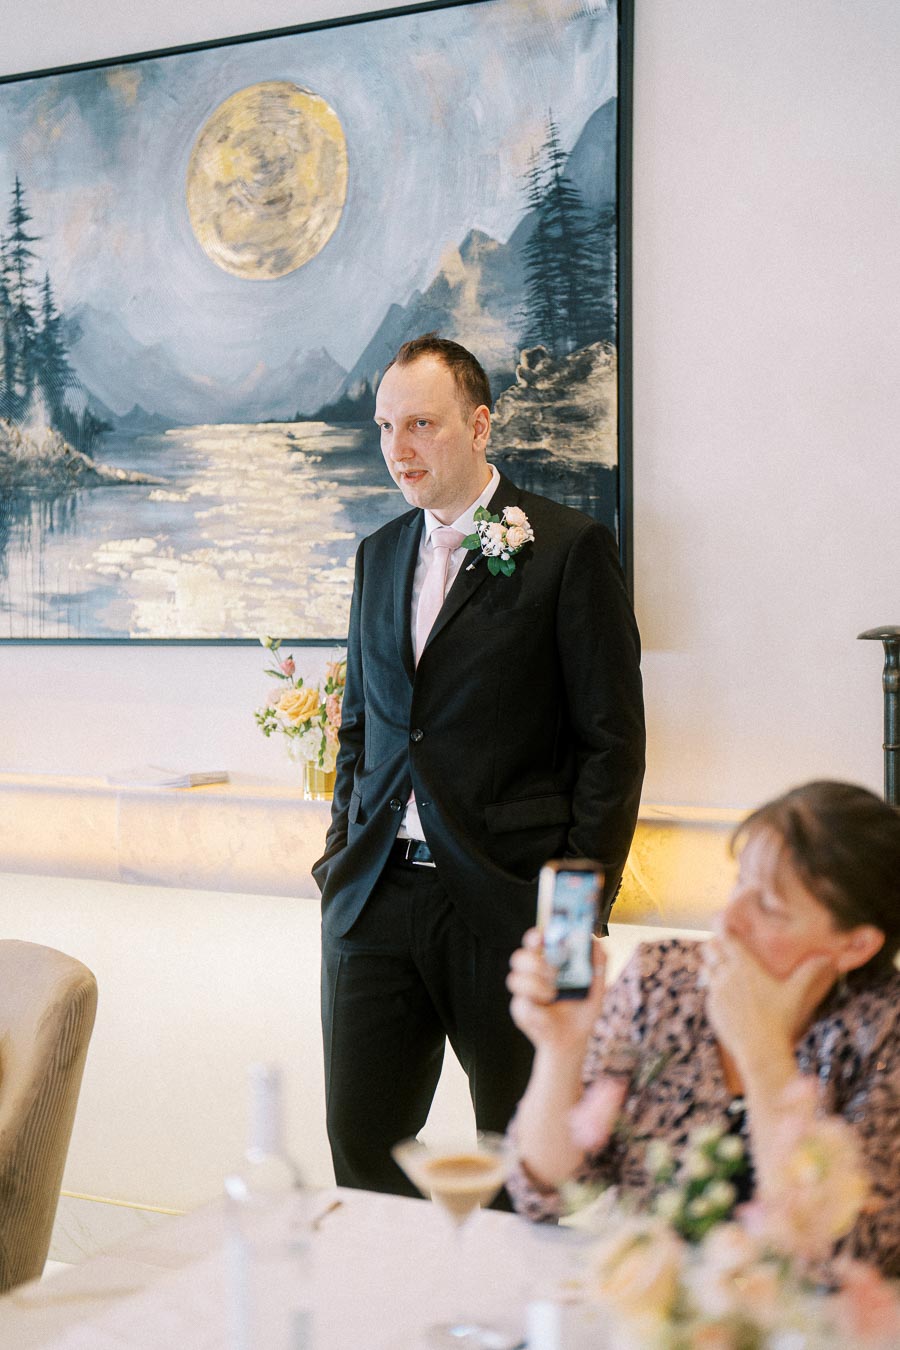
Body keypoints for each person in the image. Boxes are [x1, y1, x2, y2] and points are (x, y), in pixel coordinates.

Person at [313, 334, 645, 1196]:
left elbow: (611, 749)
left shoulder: (569, 551)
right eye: (386, 426)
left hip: (513, 915)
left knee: (525, 1171)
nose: (399, 448)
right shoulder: (377, 554)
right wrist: (337, 861)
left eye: (421, 423)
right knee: (363, 1156)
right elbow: (362, 728)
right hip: (375, 903)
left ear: (480, 424)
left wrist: (571, 938)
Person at [505, 780, 900, 1275]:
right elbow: (543, 1194)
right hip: (652, 1313)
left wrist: (762, 1049)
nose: (727, 918)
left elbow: (844, 1258)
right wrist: (561, 1048)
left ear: (856, 946)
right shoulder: (662, 978)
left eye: (771, 907)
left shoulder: (885, 1031)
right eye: (739, 883)